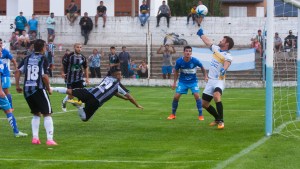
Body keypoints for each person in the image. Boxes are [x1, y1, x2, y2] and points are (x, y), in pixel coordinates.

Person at [51, 68, 143, 122]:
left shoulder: (107, 78)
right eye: (119, 74)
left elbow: (113, 92)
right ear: (116, 75)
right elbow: (129, 96)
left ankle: (52, 88)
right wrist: (137, 105)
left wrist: (123, 98)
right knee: (85, 118)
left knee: (69, 91)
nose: (121, 76)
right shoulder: (118, 84)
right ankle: (79, 107)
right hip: (96, 101)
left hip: (90, 92)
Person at [15, 39, 57, 145]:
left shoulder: (27, 58)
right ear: (43, 47)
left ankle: (35, 138)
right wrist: (48, 88)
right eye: (45, 46)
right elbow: (44, 76)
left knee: (36, 113)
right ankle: (50, 139)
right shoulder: (43, 58)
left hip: (27, 90)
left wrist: (17, 86)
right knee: (47, 113)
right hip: (38, 89)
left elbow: (18, 71)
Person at [197, 28, 234, 129]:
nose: (220, 41)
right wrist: (201, 35)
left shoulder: (228, 55)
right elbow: (208, 42)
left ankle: (221, 121)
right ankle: (217, 118)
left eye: (223, 40)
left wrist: (224, 69)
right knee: (204, 104)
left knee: (216, 95)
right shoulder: (216, 49)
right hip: (210, 80)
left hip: (219, 80)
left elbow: (227, 62)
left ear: (226, 44)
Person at [167, 46, 207, 121]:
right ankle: (173, 114)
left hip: (193, 81)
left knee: (197, 95)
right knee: (176, 97)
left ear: (191, 53)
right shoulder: (179, 61)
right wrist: (174, 82)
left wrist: (205, 76)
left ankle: (201, 115)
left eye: (189, 51)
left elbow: (202, 67)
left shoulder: (195, 60)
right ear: (184, 52)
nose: (188, 52)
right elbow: (176, 72)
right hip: (183, 82)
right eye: (186, 51)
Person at [61, 43, 89, 112]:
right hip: (69, 79)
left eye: (80, 47)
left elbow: (86, 68)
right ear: (74, 47)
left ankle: (81, 106)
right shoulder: (69, 56)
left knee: (81, 93)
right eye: (77, 47)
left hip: (79, 79)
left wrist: (87, 78)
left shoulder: (83, 57)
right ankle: (64, 102)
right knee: (71, 96)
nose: (79, 49)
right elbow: (63, 65)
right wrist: (62, 73)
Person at [0, 39, 18, 109]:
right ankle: (2, 105)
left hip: (5, 74)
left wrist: (16, 69)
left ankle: (10, 106)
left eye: (1, 43)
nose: (0, 44)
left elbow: (13, 60)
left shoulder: (5, 52)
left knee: (5, 90)